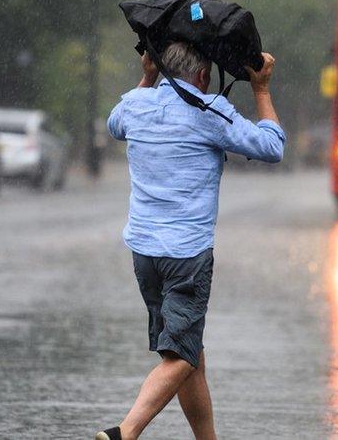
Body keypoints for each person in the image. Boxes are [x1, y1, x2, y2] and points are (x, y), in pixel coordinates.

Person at [96, 42, 285, 440]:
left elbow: (115, 124)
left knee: (189, 353)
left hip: (144, 253)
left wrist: (147, 76)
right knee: (180, 354)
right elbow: (272, 147)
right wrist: (262, 91)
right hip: (186, 255)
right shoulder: (210, 111)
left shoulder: (135, 104)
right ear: (202, 76)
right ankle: (125, 432)